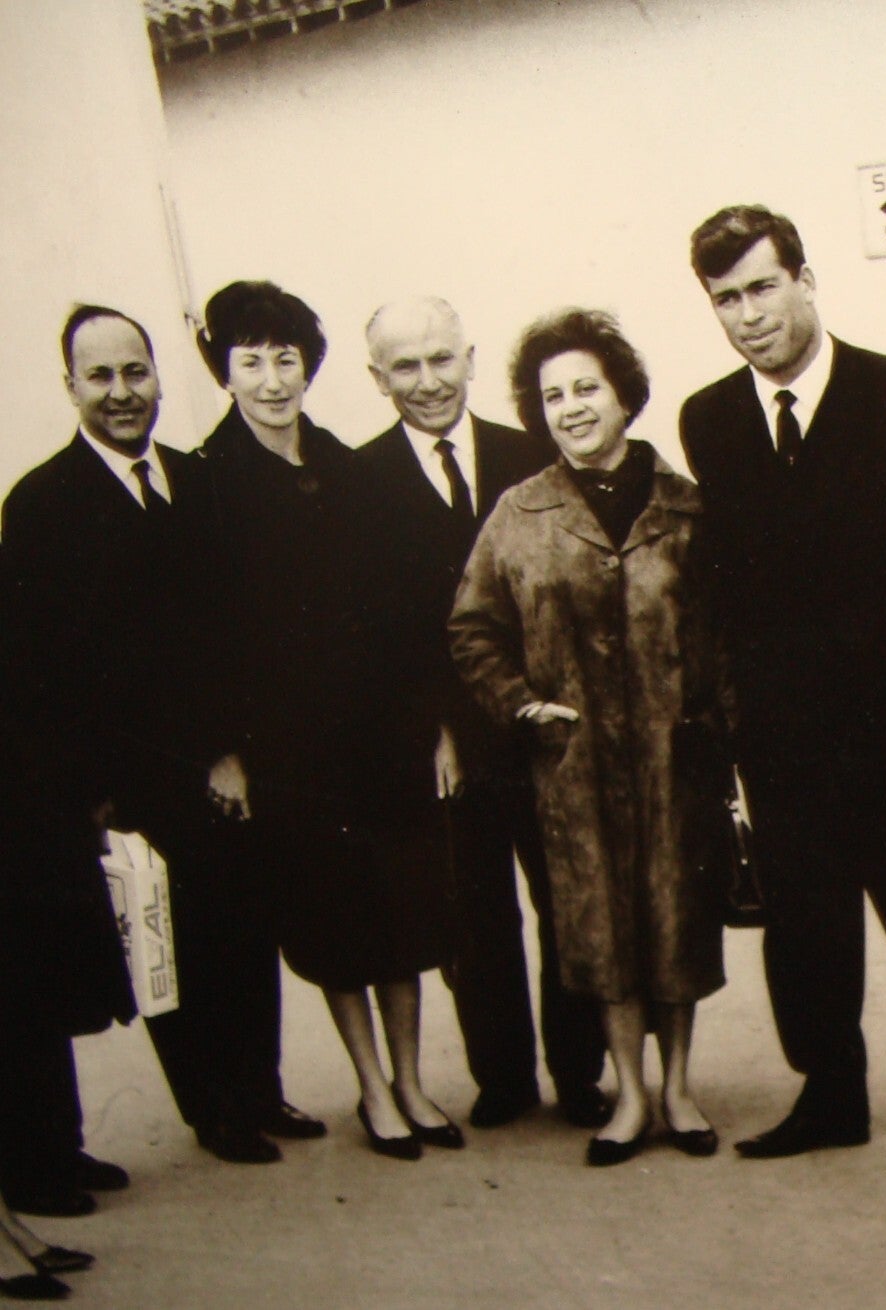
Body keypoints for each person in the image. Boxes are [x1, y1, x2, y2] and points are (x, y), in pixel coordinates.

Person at [679, 205, 886, 1177]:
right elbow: (729, 585)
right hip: (783, 748)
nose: (748, 314)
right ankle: (830, 1098)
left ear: (806, 279)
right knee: (807, 938)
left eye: (762, 285)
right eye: (725, 297)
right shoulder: (710, 418)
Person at [1, 305, 308, 1207]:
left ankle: (259, 1091)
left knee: (244, 931)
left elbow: (239, 633)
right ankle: (213, 1109)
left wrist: (237, 751)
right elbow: (42, 668)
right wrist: (94, 793)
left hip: (223, 764)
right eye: (100, 377)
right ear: (70, 389)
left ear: (159, 378)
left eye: (135, 372)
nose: (122, 393)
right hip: (127, 779)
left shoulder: (197, 480)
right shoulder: (42, 504)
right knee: (172, 946)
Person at [451, 309, 730, 1165]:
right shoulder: (518, 513)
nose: (571, 407)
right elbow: (472, 628)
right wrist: (520, 705)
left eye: (587, 388)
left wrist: (712, 722)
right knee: (598, 929)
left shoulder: (688, 507)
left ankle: (679, 1090)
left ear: (624, 395)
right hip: (571, 771)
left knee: (678, 922)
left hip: (671, 760)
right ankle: (629, 1096)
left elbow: (729, 634)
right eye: (552, 395)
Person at [195, 281, 457, 1161]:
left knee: (401, 912)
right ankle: (373, 1090)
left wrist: (432, 726)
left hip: (382, 738)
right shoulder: (209, 483)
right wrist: (227, 752)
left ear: (310, 365)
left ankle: (415, 1083)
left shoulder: (348, 466)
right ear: (224, 372)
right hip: (294, 752)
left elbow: (407, 609)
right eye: (252, 361)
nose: (273, 380)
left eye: (287, 359)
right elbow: (204, 638)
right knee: (336, 920)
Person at [357, 297, 608, 1132]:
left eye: (440, 360)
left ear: (468, 358)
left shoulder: (529, 453)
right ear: (378, 378)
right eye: (405, 366)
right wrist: (432, 728)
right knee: (476, 919)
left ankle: (580, 1074)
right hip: (448, 746)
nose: (427, 382)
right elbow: (376, 633)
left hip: (544, 727)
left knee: (569, 900)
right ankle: (501, 1077)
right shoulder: (362, 483)